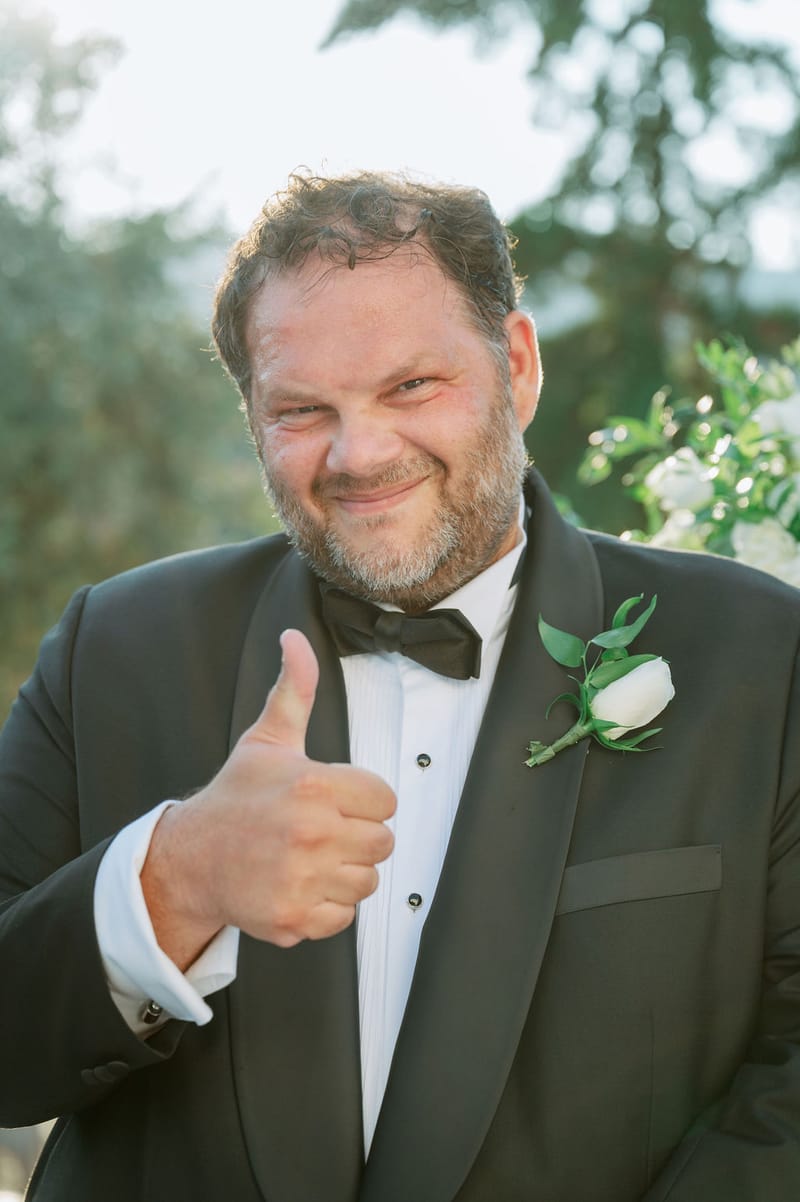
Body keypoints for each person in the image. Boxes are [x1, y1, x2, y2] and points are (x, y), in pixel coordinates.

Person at [0, 170, 799, 1202]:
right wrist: (174, 879)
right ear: (250, 414)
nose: (359, 452)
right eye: (300, 408)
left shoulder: (759, 654)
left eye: (410, 386)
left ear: (515, 365)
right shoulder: (112, 647)